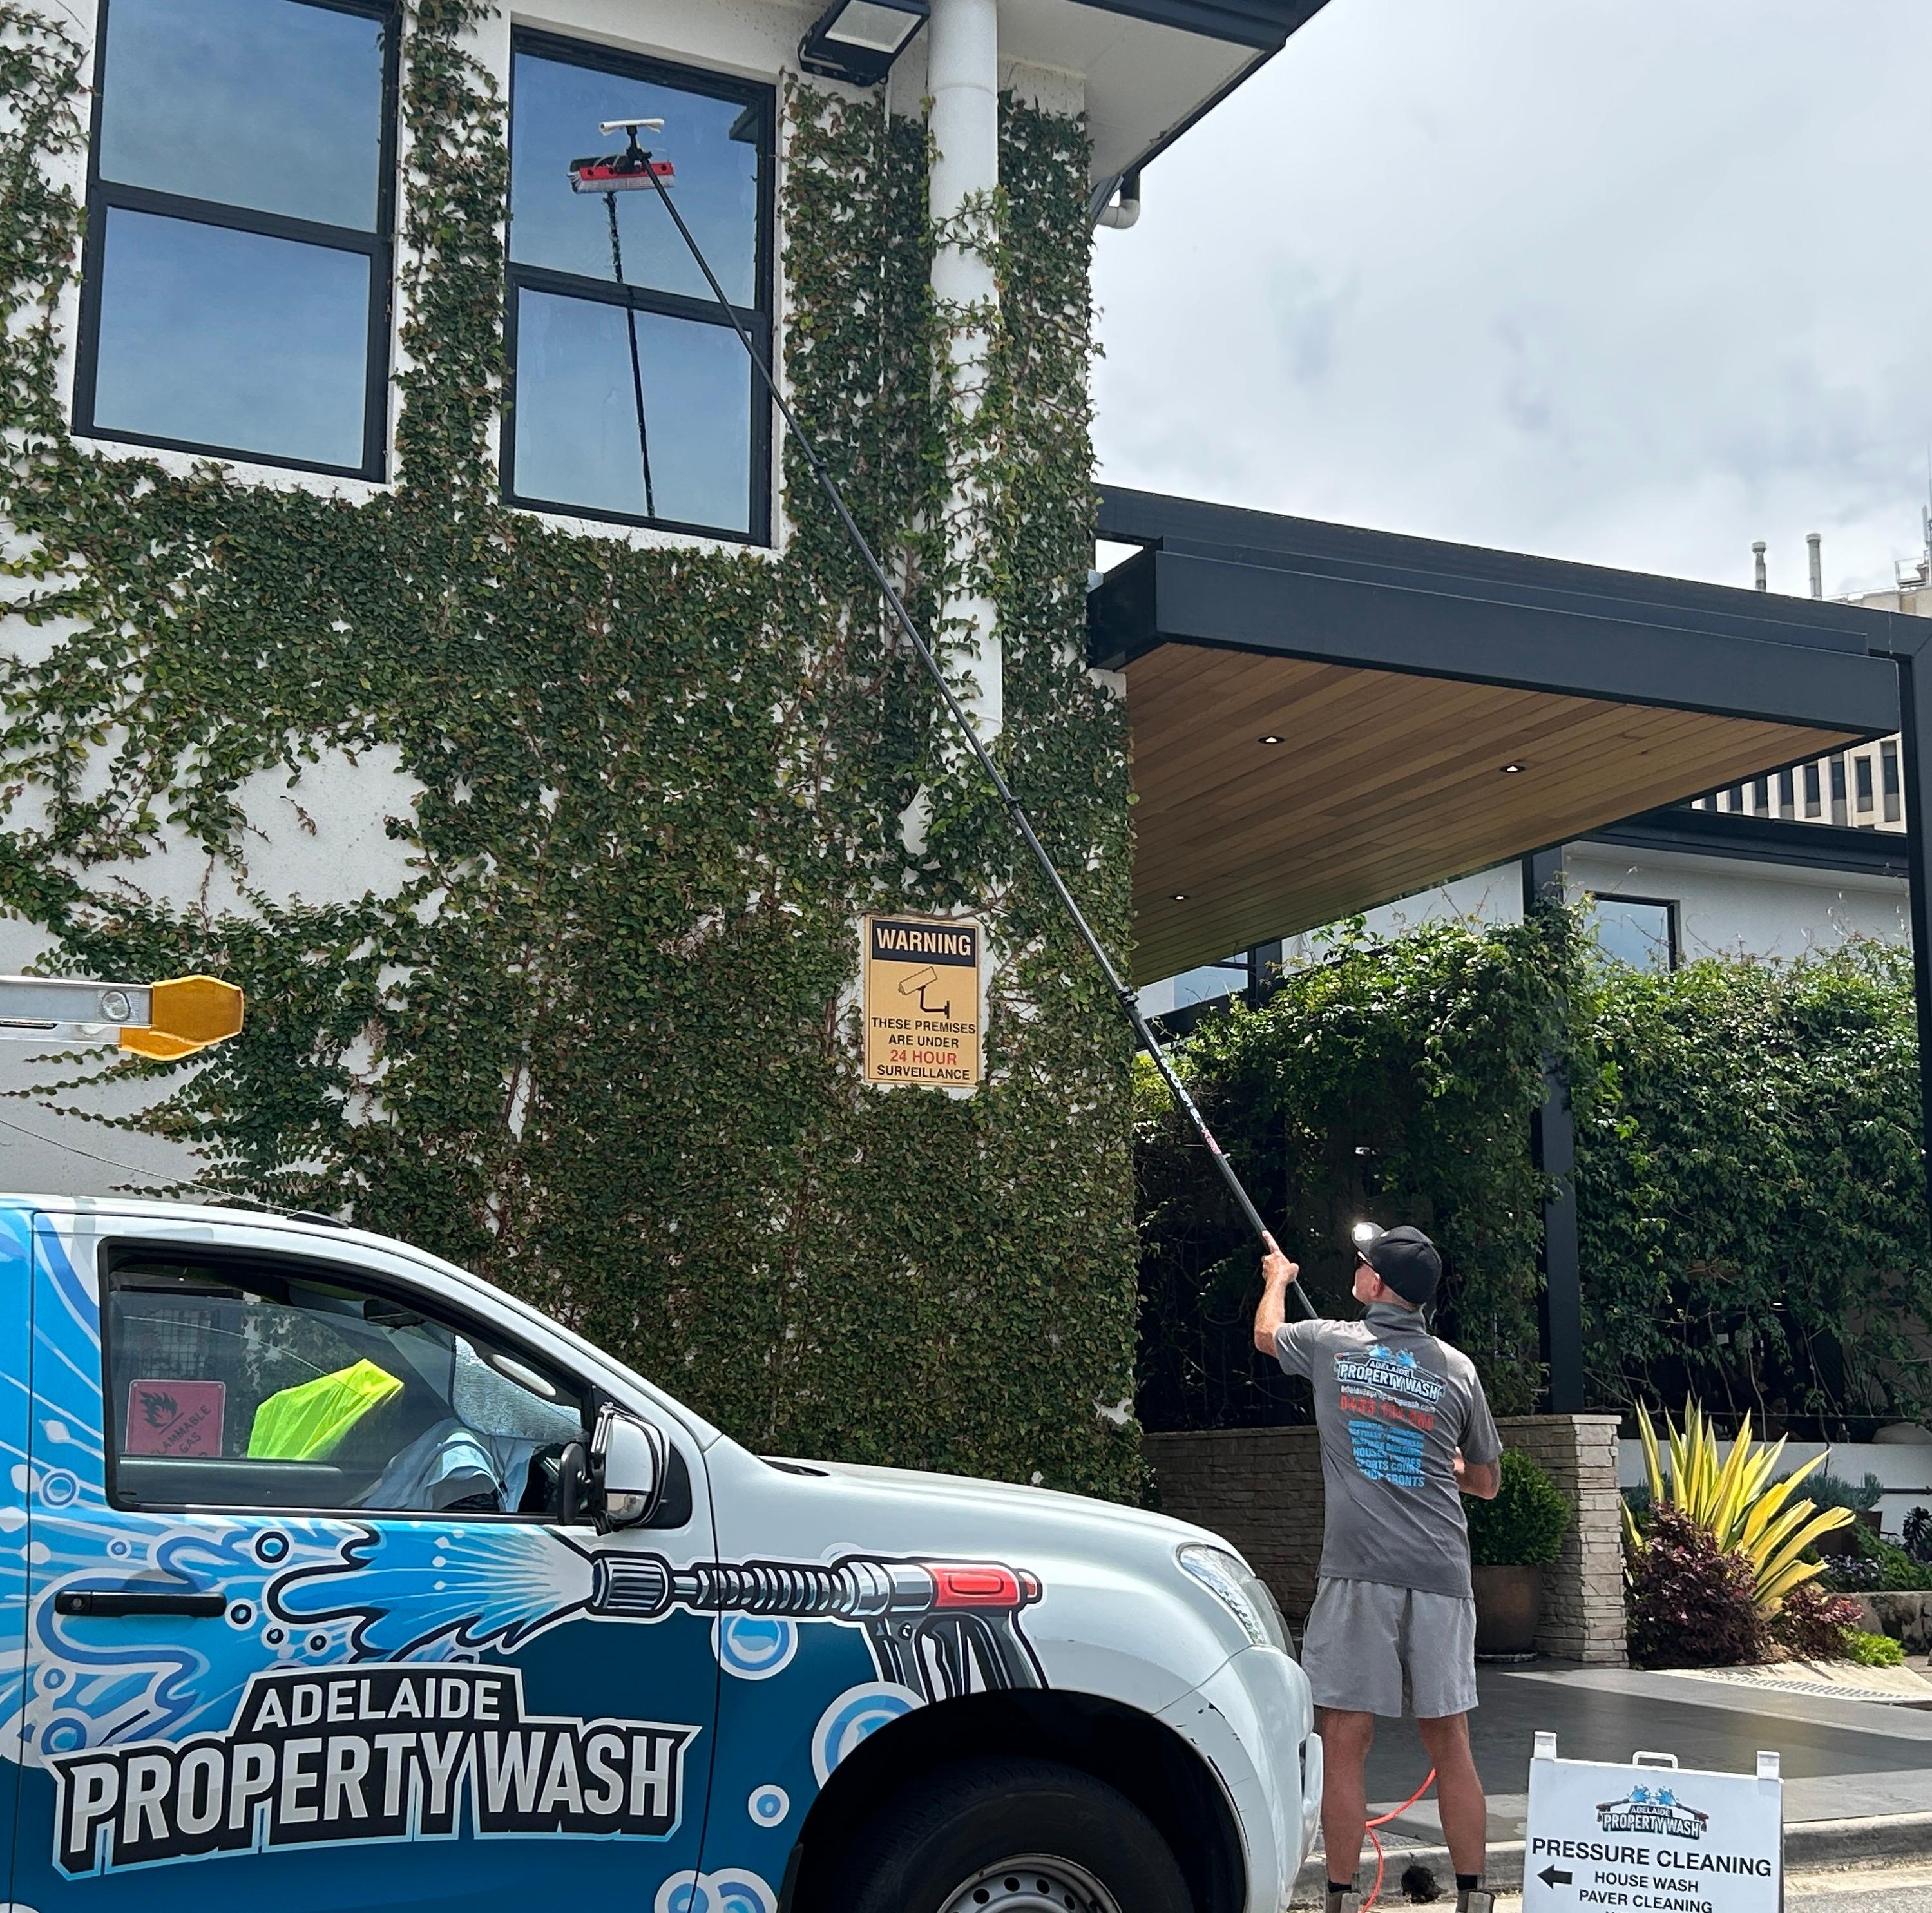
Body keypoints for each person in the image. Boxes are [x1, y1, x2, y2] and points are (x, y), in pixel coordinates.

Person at [1252, 1225, 1502, 1913]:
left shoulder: (1330, 1343)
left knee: (1343, 1736)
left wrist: (1277, 1276)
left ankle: (1337, 1896)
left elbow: (1267, 1334)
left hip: (1358, 1570)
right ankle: (1474, 1896)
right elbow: (1484, 1480)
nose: (1356, 1270)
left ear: (1377, 1286)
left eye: (1364, 1265)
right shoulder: (1456, 1368)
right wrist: (1434, 1453)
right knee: (1448, 1735)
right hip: (1440, 1570)